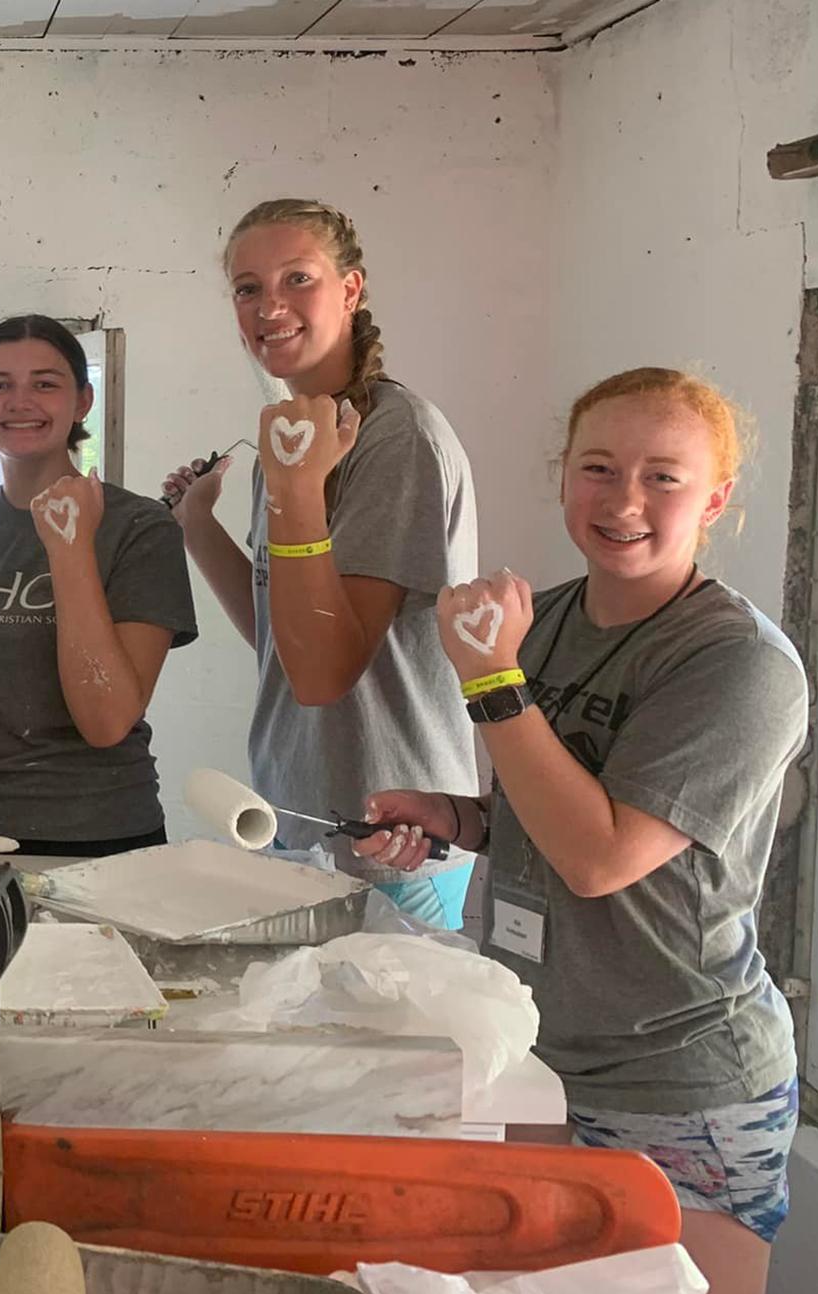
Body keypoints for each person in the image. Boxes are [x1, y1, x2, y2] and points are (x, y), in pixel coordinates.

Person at [356, 369, 802, 1294]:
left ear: (716, 496)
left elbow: (601, 858)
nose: (625, 500)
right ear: (564, 478)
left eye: (663, 476)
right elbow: (541, 807)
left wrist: (490, 682)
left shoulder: (740, 663)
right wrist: (455, 818)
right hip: (540, 1045)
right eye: (598, 467)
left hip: (678, 1076)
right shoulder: (543, 622)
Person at [163, 198, 479, 928]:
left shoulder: (395, 437)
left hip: (394, 837)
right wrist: (198, 527)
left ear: (351, 289)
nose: (269, 305)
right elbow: (287, 638)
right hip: (305, 823)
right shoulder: (291, 444)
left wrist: (295, 487)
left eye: (297, 278)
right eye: (247, 288)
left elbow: (323, 671)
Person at [0, 315, 195, 855]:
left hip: (101, 840)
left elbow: (108, 719)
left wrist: (70, 549)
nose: (20, 402)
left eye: (45, 384)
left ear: (83, 401)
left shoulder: (138, 528)